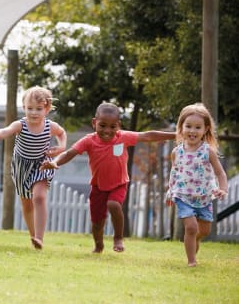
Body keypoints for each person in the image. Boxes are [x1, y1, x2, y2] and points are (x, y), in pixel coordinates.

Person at [40, 102, 175, 253]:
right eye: (102, 125)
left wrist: (176, 135)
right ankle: (98, 245)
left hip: (119, 183)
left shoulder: (123, 137)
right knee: (97, 222)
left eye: (112, 127)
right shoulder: (88, 141)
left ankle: (118, 238)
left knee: (113, 205)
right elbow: (69, 153)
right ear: (94, 123)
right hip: (98, 186)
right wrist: (55, 162)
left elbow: (148, 135)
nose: (107, 131)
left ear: (118, 125)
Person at [0, 86, 67, 250]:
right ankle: (33, 236)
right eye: (29, 108)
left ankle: (39, 238)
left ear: (46, 109)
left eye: (39, 109)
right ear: (24, 108)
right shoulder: (21, 125)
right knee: (27, 204)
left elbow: (61, 133)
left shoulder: (50, 126)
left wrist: (61, 147)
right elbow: (5, 131)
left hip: (41, 164)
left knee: (39, 197)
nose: (34, 112)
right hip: (21, 166)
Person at [166, 103, 228, 267]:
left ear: (206, 129)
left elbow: (220, 173)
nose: (192, 131)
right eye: (188, 126)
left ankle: (192, 240)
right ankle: (191, 262)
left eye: (197, 127)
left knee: (204, 230)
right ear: (181, 127)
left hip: (204, 196)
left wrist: (223, 188)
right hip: (183, 195)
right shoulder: (176, 152)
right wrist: (170, 193)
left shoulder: (208, 151)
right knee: (191, 227)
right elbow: (174, 173)